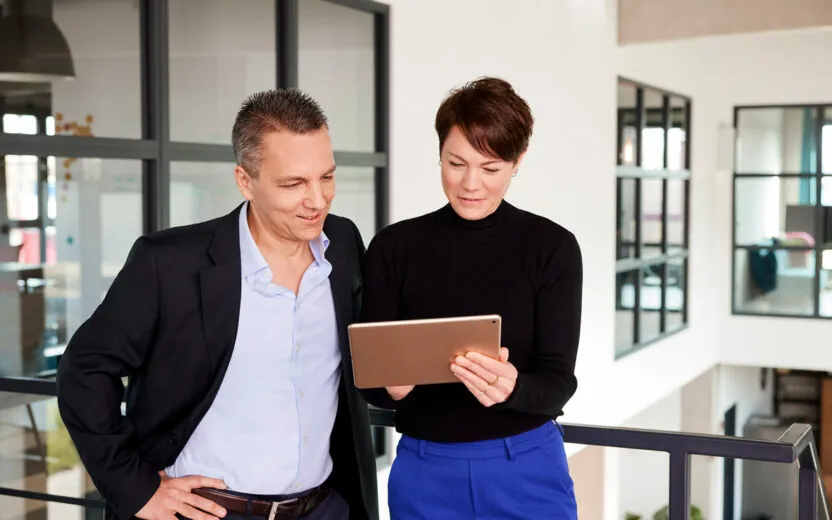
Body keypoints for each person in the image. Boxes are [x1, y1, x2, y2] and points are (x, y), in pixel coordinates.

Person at [56, 89, 378, 520]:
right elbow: (84, 370)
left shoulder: (344, 245)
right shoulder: (168, 264)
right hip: (207, 513)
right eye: (294, 183)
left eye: (326, 177)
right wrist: (135, 488)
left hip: (324, 508)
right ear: (245, 181)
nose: (317, 199)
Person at [359, 77, 583, 519]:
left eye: (490, 168)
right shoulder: (393, 247)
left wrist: (512, 386)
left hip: (526, 465)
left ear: (518, 162)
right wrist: (392, 387)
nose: (470, 184)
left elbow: (559, 382)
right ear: (439, 152)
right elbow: (370, 383)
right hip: (425, 471)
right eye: (455, 163)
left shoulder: (552, 247)